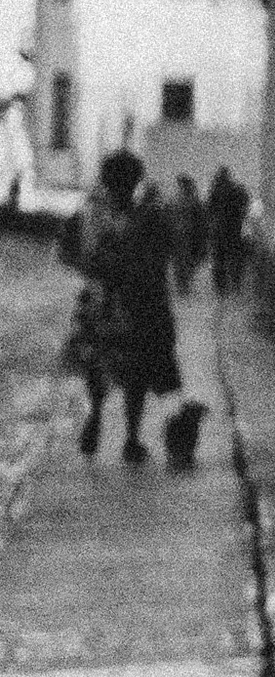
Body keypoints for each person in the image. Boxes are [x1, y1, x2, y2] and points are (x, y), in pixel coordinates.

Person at [59, 151, 203, 468]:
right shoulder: (143, 216)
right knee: (133, 371)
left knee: (98, 365)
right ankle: (130, 438)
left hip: (97, 302)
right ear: (135, 179)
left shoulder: (89, 214)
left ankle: (97, 416)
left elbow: (66, 251)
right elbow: (166, 253)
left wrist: (91, 269)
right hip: (130, 303)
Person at [205, 165, 249, 297]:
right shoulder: (237, 189)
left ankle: (221, 287)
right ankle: (235, 283)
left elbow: (209, 209)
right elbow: (244, 203)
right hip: (234, 229)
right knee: (234, 257)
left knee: (219, 260)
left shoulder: (215, 190)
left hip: (219, 230)